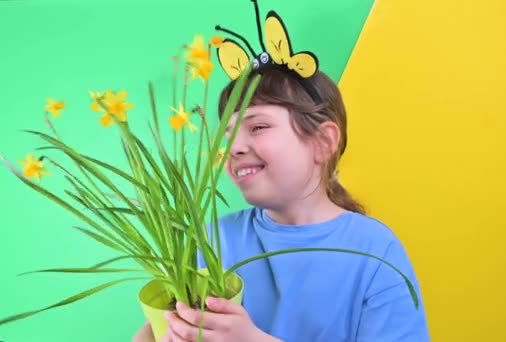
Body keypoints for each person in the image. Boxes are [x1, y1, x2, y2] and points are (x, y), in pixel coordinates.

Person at [133, 65, 430, 341]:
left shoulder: (375, 251)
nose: (233, 148)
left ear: (323, 142)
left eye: (258, 127)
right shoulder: (211, 238)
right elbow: (153, 331)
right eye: (229, 134)